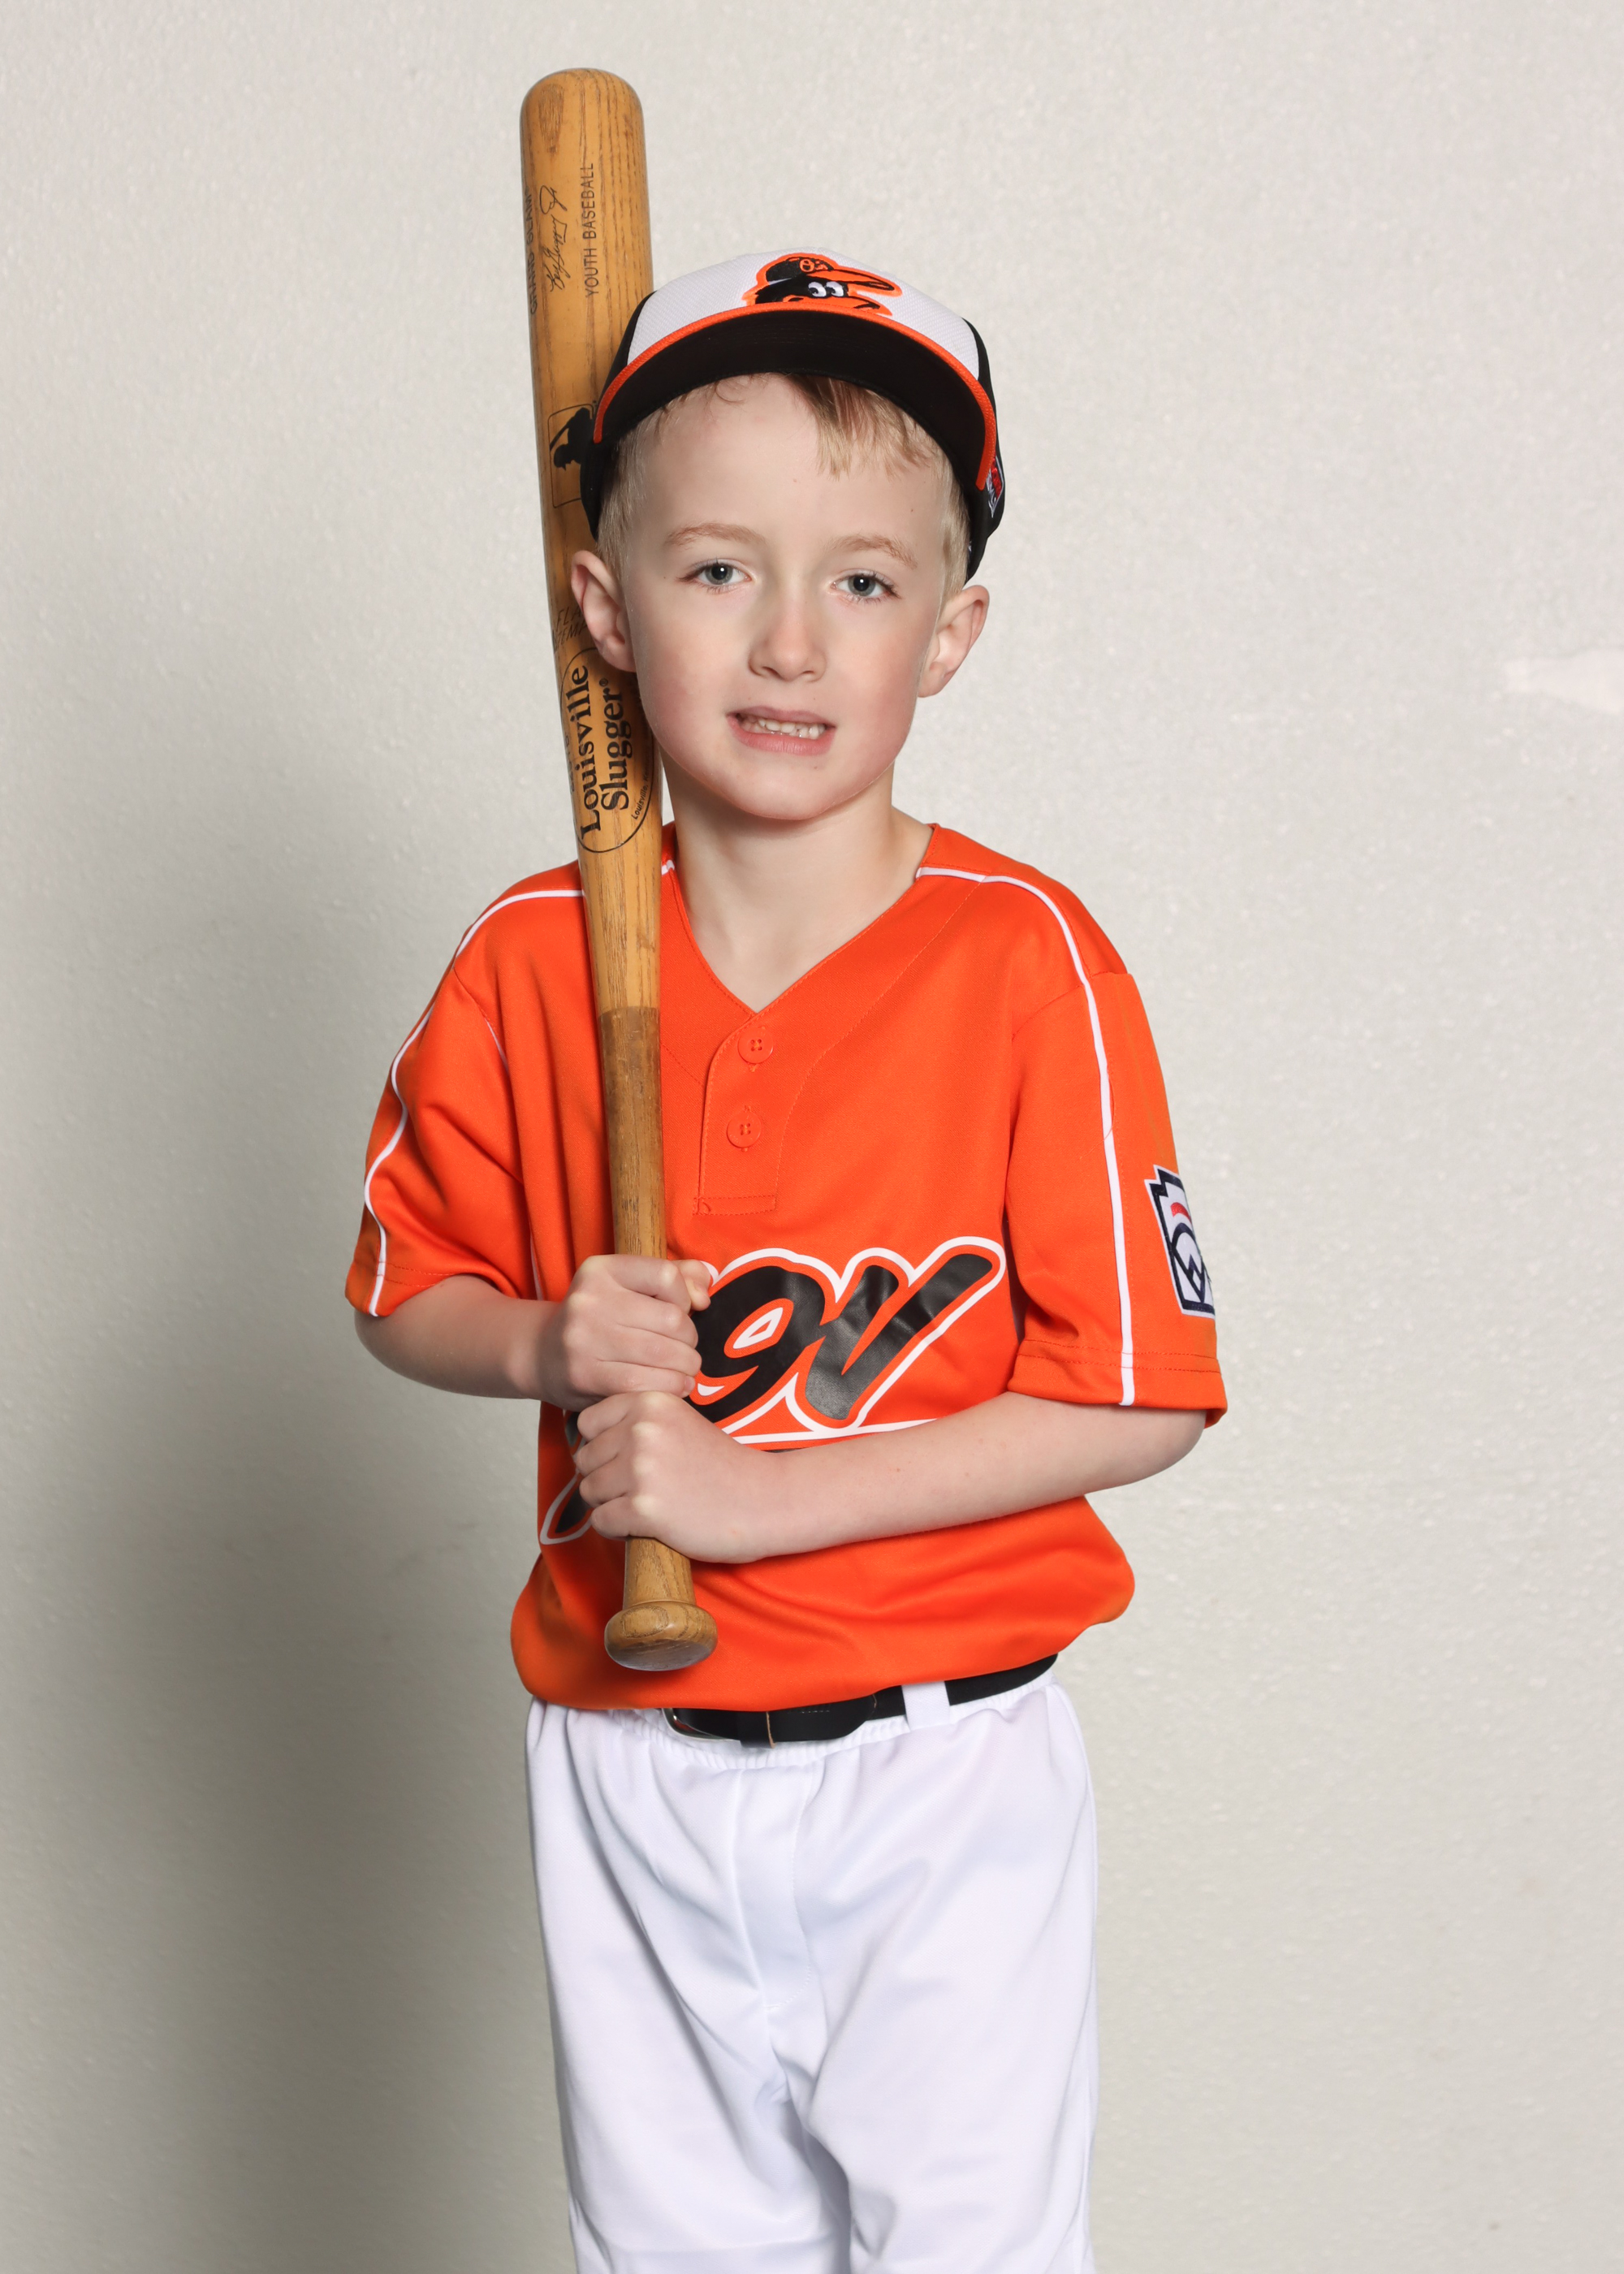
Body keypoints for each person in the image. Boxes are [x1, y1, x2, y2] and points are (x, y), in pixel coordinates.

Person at [348, 249, 1226, 2274]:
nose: (790, 639)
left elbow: (1138, 1391)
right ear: (603, 608)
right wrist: (542, 1339)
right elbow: (403, 1287)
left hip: (941, 1764)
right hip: (627, 1762)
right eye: (717, 567)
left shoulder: (1029, 963)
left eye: (864, 579)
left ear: (950, 632)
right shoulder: (524, 959)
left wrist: (759, 1498)